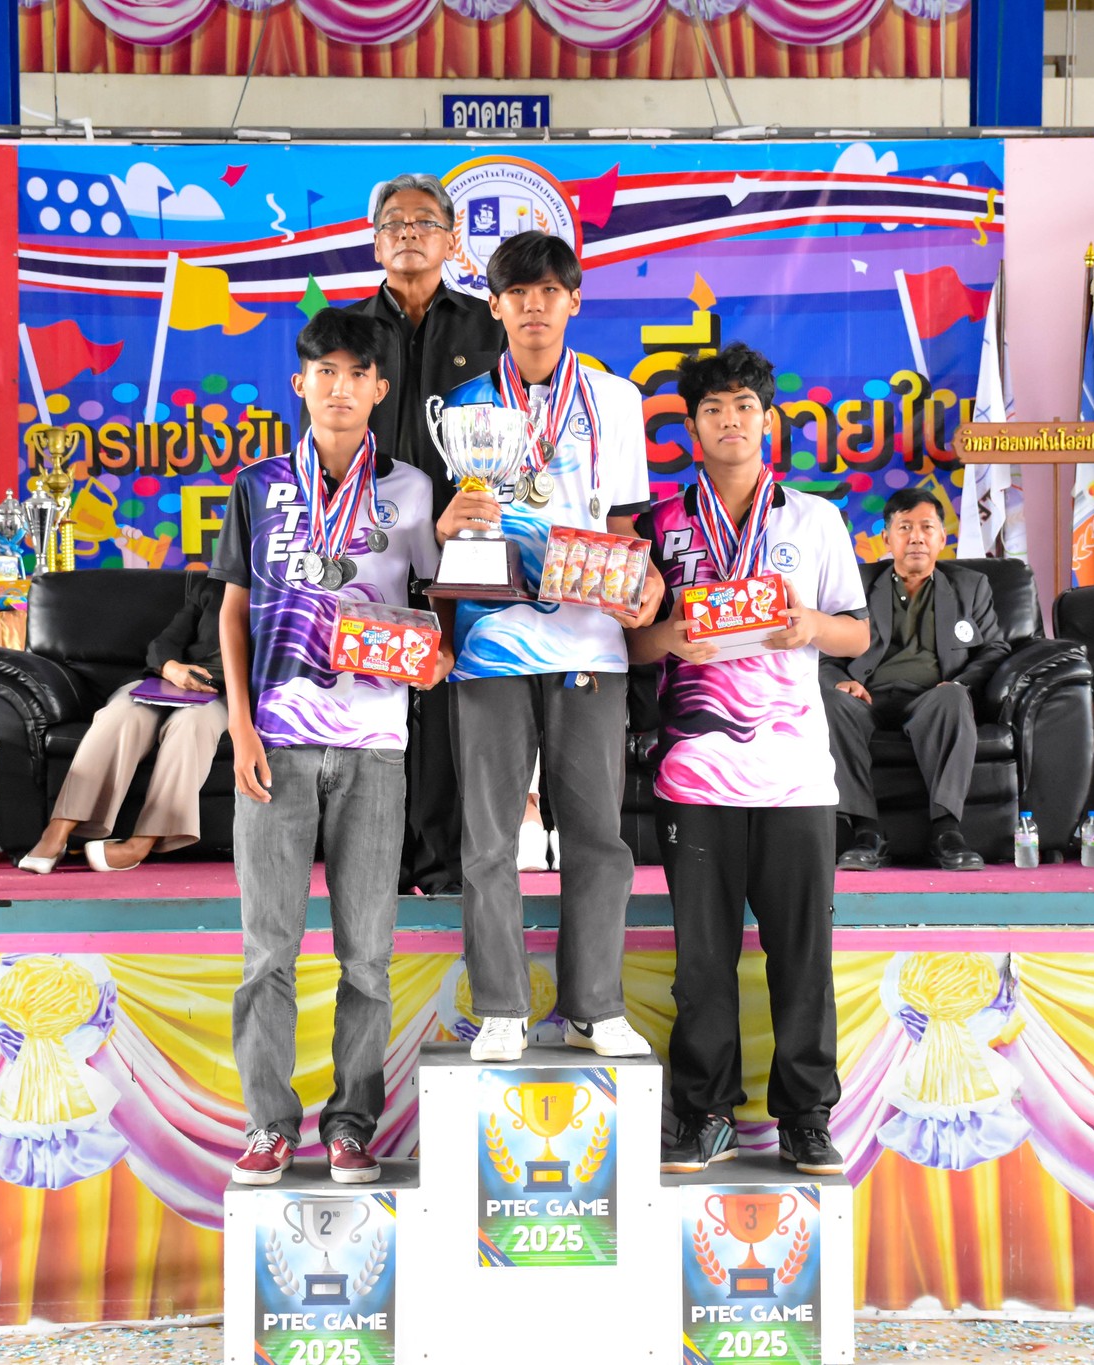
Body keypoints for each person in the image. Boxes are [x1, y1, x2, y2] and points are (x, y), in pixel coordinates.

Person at [217, 308, 448, 1185]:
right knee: (267, 950)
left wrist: (437, 653)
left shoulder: (414, 490)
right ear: (300, 383)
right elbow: (232, 608)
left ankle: (351, 1124)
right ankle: (268, 1124)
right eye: (326, 371)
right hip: (275, 744)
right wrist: (240, 723)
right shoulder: (258, 486)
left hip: (375, 745)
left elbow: (438, 596)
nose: (341, 387)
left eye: (357, 373)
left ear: (380, 388)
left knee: (367, 956)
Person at [631, 342, 867, 1177]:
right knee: (703, 961)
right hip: (695, 776)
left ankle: (806, 1116)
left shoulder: (815, 519)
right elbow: (631, 644)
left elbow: (856, 632)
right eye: (712, 408)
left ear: (767, 421)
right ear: (691, 427)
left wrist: (811, 627)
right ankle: (706, 1113)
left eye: (744, 406)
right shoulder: (659, 526)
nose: (729, 420)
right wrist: (670, 636)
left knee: (804, 956)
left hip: (795, 775)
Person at [441, 230, 664, 1065]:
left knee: (598, 834)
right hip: (490, 639)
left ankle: (593, 1007)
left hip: (590, 641)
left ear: (574, 300)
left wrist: (643, 577)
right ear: (494, 306)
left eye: (548, 292)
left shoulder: (616, 399)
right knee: (489, 837)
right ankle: (501, 1005)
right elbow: (447, 526)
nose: (533, 307)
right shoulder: (463, 405)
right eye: (517, 294)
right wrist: (447, 527)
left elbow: (625, 519)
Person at [345, 173, 506, 898]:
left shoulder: (487, 326)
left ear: (452, 240)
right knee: (374, 695)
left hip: (464, 546)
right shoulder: (348, 332)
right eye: (394, 223)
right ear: (375, 242)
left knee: (445, 702)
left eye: (424, 222)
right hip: (370, 546)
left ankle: (442, 869)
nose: (408, 232)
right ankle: (377, 864)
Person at [821, 488, 1010, 872]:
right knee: (831, 701)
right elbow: (824, 652)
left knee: (954, 698)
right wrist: (840, 681)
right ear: (887, 538)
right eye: (905, 527)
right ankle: (866, 832)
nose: (917, 538)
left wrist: (961, 683)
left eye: (927, 527)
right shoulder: (856, 584)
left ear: (942, 537)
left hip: (931, 699)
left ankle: (946, 832)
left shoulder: (971, 586)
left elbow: (995, 649)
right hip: (866, 696)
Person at [17, 570, 228, 874]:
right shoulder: (213, 587)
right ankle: (57, 831)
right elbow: (166, 641)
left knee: (191, 725)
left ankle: (140, 844)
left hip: (227, 694)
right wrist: (172, 669)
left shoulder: (286, 598)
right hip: (171, 681)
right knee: (121, 715)